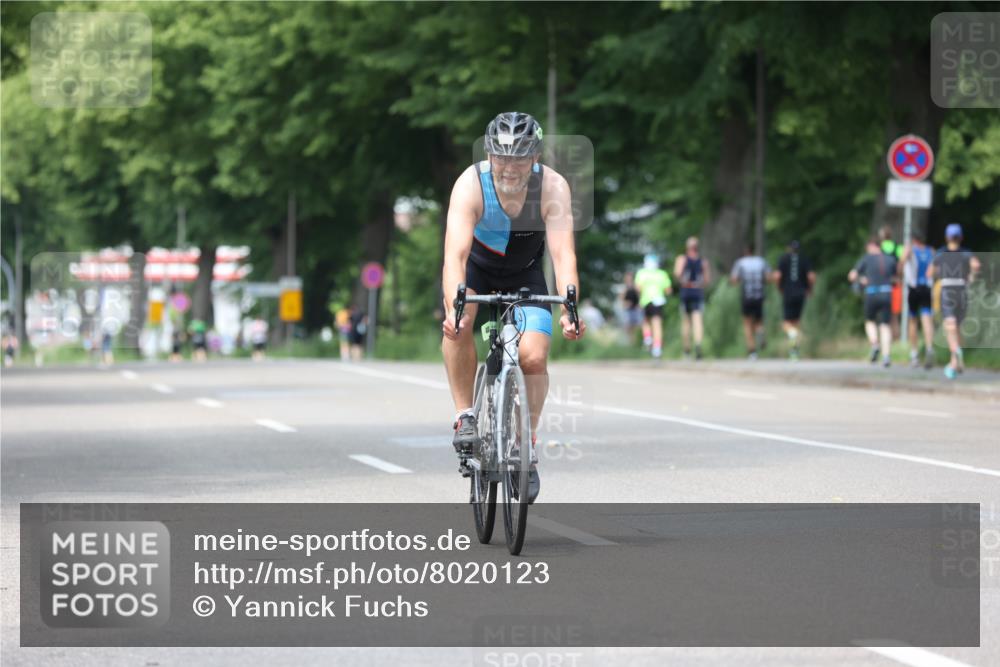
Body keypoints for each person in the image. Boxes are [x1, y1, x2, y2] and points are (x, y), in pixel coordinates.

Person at [441, 111, 586, 504]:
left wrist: (570, 307)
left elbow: (562, 254)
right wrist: (453, 305)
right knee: (459, 323)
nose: (508, 167)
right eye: (500, 157)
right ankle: (465, 415)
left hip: (525, 275)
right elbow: (455, 254)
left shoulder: (552, 186)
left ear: (534, 157)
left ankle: (525, 445)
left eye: (519, 157)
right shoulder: (471, 184)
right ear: (489, 154)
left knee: (534, 358)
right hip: (477, 271)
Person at [928, 223, 980, 380]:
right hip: (962, 289)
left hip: (948, 289)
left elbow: (930, 272)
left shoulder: (941, 253)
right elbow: (976, 265)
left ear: (947, 237)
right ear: (961, 237)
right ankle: (955, 363)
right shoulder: (966, 253)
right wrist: (971, 277)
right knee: (957, 327)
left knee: (949, 325)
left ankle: (956, 351)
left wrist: (939, 274)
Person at [848, 238, 898, 367]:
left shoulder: (866, 258)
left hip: (871, 293)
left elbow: (852, 276)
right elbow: (896, 276)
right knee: (885, 325)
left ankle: (875, 344)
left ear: (871, 246)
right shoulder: (890, 259)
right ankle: (886, 356)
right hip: (886, 293)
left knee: (870, 321)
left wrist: (861, 279)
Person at [773, 240, 815, 360]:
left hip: (788, 292)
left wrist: (779, 287)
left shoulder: (783, 259)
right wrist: (810, 289)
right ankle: (794, 351)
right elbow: (811, 276)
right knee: (796, 321)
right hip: (801, 293)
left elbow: (777, 276)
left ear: (788, 248)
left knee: (786, 322)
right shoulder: (804, 259)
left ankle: (793, 337)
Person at [900, 233, 936, 369]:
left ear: (913, 240)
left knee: (913, 321)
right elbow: (935, 270)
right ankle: (929, 348)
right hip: (927, 288)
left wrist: (899, 274)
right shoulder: (931, 251)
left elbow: (901, 263)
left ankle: (914, 354)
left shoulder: (910, 250)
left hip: (913, 289)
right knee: (927, 319)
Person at [673, 237, 711, 360]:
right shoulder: (703, 262)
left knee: (686, 322)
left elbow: (677, 274)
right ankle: (698, 345)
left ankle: (687, 349)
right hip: (697, 291)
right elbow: (706, 280)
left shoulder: (682, 259)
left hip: (686, 291)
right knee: (697, 320)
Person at [730, 245, 769, 359]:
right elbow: (767, 277)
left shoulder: (740, 263)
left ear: (745, 252)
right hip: (759, 296)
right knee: (758, 321)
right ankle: (760, 332)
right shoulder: (761, 261)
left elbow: (734, 279)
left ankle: (752, 351)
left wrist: (734, 281)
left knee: (747, 324)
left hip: (746, 297)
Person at [634, 254, 672, 358]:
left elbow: (638, 288)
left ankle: (647, 337)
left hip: (646, 300)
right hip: (658, 301)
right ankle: (657, 348)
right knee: (657, 324)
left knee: (645, 320)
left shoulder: (641, 273)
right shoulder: (662, 274)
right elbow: (668, 290)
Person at [618, 271, 642, 340]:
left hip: (636, 308)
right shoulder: (624, 287)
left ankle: (637, 340)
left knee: (637, 325)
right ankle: (631, 339)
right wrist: (625, 303)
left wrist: (639, 304)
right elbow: (621, 298)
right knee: (628, 325)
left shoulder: (635, 286)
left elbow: (639, 295)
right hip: (627, 309)